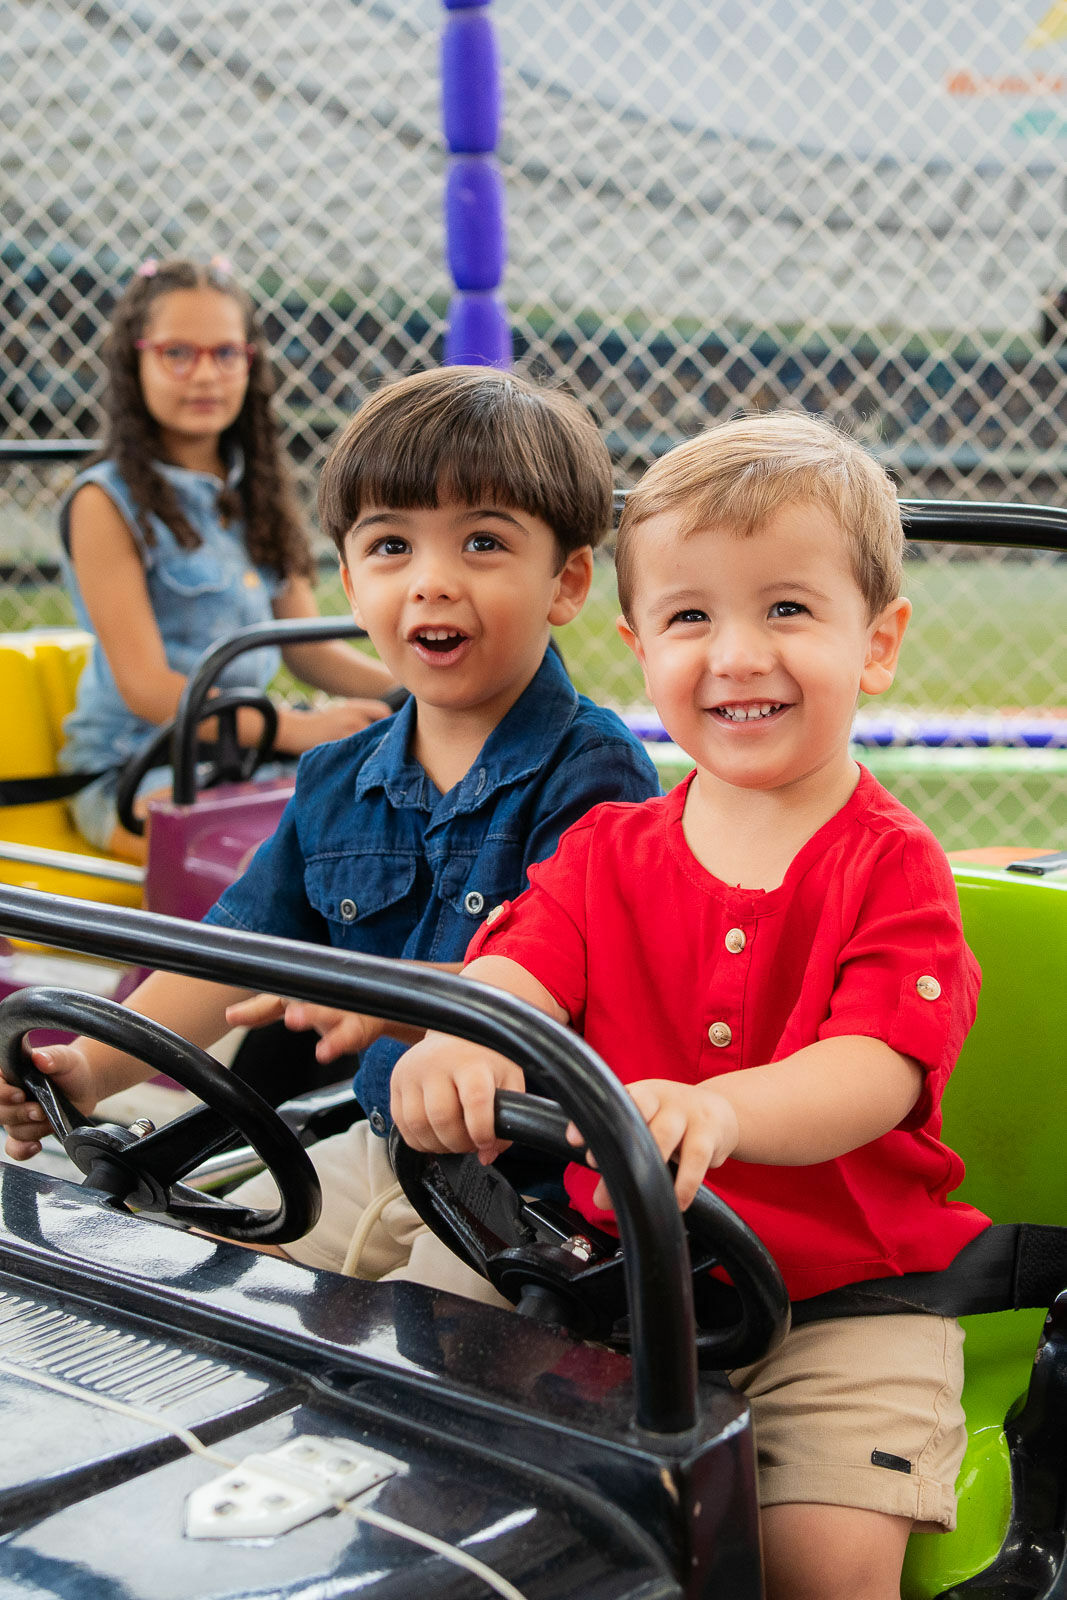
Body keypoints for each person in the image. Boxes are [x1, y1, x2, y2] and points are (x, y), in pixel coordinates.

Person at [389, 412, 989, 1600]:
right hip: (598, 1266)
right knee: (406, 1440)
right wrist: (461, 1027)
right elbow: (519, 969)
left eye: (784, 609)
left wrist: (717, 1111)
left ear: (876, 643)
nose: (735, 655)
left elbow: (874, 1066)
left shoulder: (890, 867)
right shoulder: (606, 850)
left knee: (815, 1566)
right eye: (689, 617)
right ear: (638, 646)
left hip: (833, 1307)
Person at [1, 364, 661, 1299]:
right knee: (217, 1297)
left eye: (481, 542)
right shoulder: (336, 780)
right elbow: (230, 952)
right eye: (393, 546)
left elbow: (577, 990)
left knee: (445, 1353)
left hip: (535, 1184)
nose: (431, 582)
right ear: (349, 582)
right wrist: (91, 1066)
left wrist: (407, 1004)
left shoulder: (593, 776)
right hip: (378, 1141)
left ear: (567, 581)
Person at [58, 255, 396, 860]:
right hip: (141, 767)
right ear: (136, 363)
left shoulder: (258, 494)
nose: (205, 374)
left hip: (249, 760)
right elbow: (148, 688)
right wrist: (291, 729)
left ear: (250, 363)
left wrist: (420, 688)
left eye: (225, 353)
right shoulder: (103, 503)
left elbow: (308, 649)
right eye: (177, 353)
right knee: (278, 863)